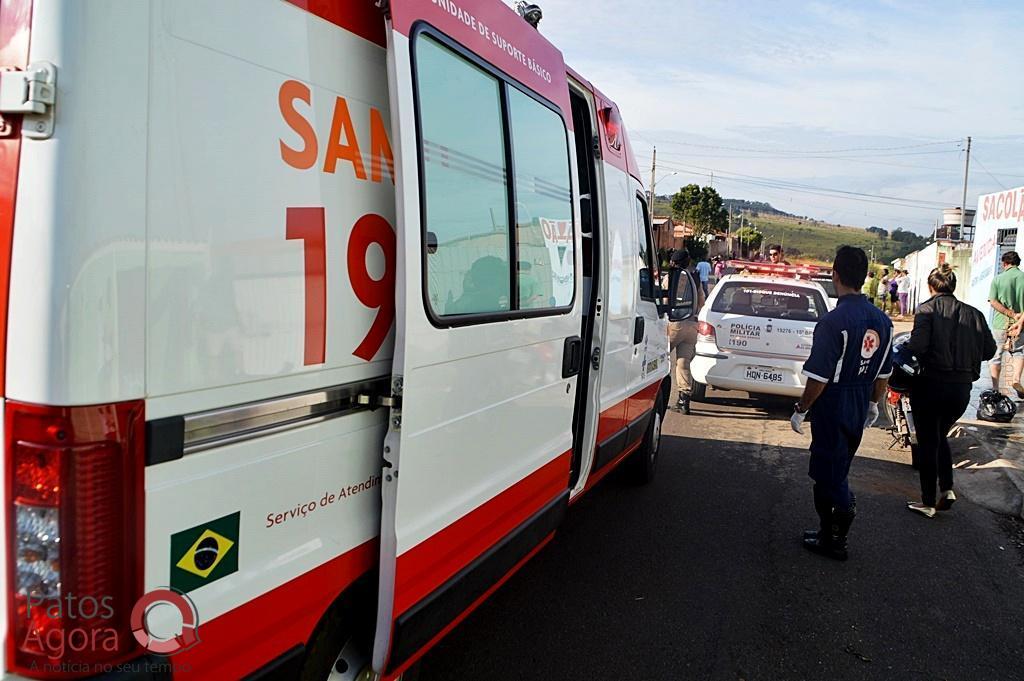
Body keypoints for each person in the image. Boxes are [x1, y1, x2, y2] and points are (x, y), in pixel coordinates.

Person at [791, 246, 893, 561]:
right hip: (860, 398)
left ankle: (835, 537)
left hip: (833, 402)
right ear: (864, 278)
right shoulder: (883, 321)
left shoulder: (833, 322)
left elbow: (819, 377)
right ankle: (829, 532)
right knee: (840, 466)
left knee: (827, 474)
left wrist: (802, 409)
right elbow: (884, 373)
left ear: (834, 274)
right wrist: (873, 403)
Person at [905, 264, 996, 517]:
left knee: (927, 440)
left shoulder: (926, 310)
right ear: (953, 286)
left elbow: (918, 346)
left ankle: (927, 501)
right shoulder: (975, 314)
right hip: (961, 390)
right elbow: (989, 351)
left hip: (931, 385)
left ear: (931, 287)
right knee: (939, 435)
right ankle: (947, 488)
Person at [668, 249, 705, 413]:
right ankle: (684, 400)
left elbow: (662, 298)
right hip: (692, 326)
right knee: (683, 363)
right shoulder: (694, 278)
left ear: (673, 262)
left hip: (675, 323)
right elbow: (701, 301)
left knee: (657, 358)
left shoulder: (673, 276)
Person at [988, 251, 1024, 396]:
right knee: (1019, 351)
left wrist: (1009, 313)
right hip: (1021, 323)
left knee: (996, 355)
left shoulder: (998, 279)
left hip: (1000, 323)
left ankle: (996, 388)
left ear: (1004, 264)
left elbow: (993, 302)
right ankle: (1016, 379)